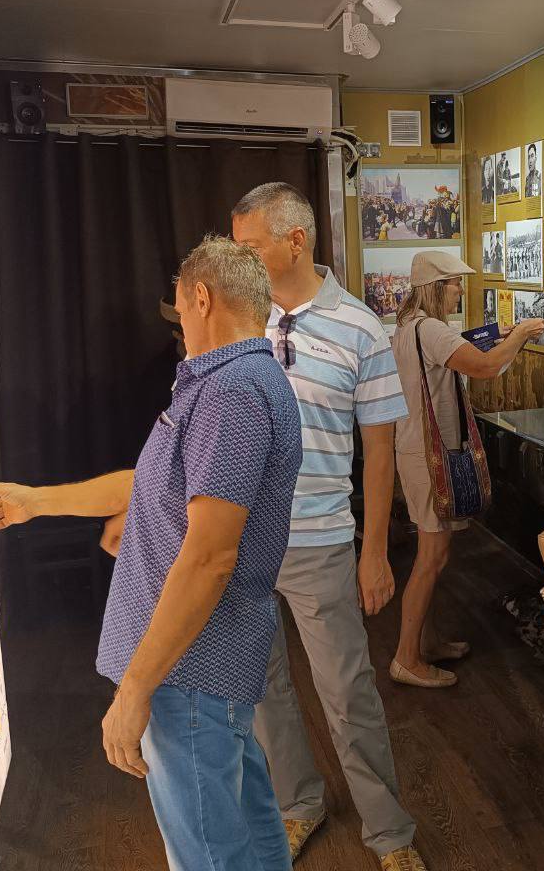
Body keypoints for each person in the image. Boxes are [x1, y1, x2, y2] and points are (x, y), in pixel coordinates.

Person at [0, 238, 302, 871]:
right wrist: (34, 502)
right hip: (200, 667)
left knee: (208, 854)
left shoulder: (232, 392)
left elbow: (210, 558)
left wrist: (135, 689)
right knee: (250, 826)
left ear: (202, 298)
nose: (179, 325)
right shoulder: (230, 383)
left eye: (179, 309)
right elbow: (151, 481)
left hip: (190, 669)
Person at [209, 183, 426, 871]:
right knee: (263, 688)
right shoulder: (238, 320)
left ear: (295, 241)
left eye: (249, 247)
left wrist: (374, 552)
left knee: (348, 694)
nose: (237, 261)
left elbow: (381, 450)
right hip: (243, 543)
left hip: (320, 540)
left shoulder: (361, 328)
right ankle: (297, 803)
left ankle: (389, 834)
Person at [390, 252, 544, 687]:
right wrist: (523, 333)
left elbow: (471, 353)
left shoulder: (409, 327)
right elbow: (486, 367)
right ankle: (406, 657)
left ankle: (425, 642)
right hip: (427, 454)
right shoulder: (431, 330)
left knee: (432, 557)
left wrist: (502, 337)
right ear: (437, 287)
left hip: (416, 449)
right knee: (431, 558)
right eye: (455, 283)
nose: (460, 290)